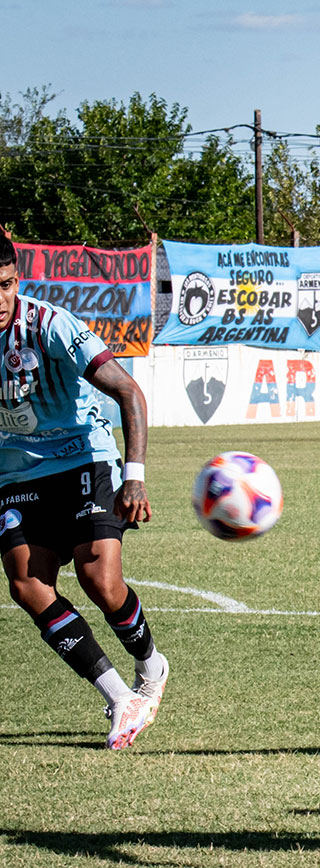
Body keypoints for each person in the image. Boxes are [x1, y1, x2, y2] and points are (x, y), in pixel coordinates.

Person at [0, 234, 169, 749]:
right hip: (16, 473)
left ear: (16, 281)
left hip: (83, 456)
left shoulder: (51, 326)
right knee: (27, 586)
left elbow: (127, 391)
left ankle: (151, 664)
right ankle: (120, 697)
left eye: (5, 286)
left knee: (100, 579)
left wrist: (134, 475)